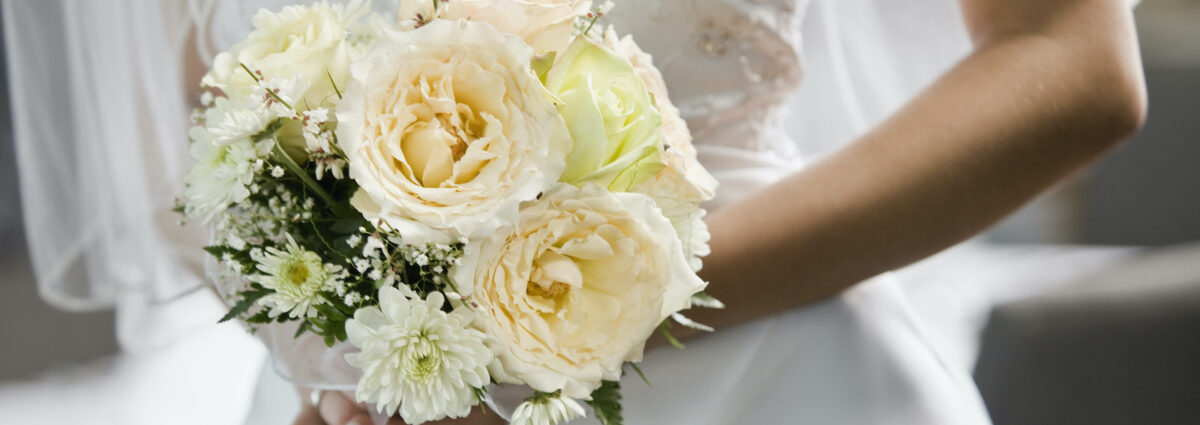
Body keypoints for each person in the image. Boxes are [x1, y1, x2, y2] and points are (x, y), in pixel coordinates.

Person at [4, 0, 1145, 424]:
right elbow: (177, 142)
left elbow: (1076, 62)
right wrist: (365, 369)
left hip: (781, 377)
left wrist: (601, 315)